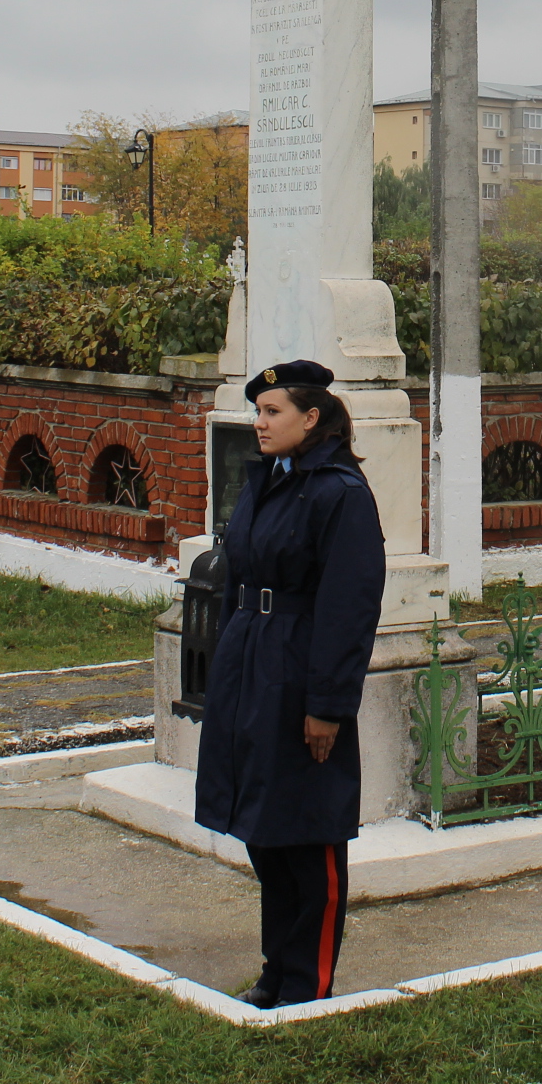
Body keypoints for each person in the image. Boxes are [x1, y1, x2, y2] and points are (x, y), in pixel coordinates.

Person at [194, 359, 387, 1011]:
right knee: (264, 829)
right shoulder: (265, 482)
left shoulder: (340, 492)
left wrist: (328, 706)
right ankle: (277, 970)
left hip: (299, 667)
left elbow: (349, 605)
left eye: (273, 411)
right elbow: (236, 575)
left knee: (306, 834)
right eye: (258, 411)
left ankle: (309, 983)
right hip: (250, 661)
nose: (260, 423)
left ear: (313, 417)